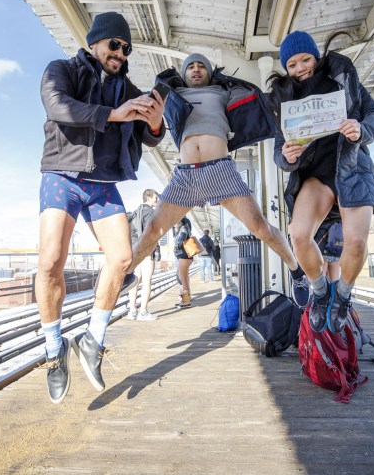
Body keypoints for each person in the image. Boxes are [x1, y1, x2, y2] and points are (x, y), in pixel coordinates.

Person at [36, 12, 166, 404]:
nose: (120, 54)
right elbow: (58, 106)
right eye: (114, 45)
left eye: (126, 49)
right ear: (95, 42)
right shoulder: (62, 69)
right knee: (50, 262)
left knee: (124, 258)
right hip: (62, 175)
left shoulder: (130, 89)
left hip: (102, 183)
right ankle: (53, 350)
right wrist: (113, 113)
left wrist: (156, 122)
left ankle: (92, 340)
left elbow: (149, 136)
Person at [125, 54, 309, 297]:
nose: (196, 69)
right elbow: (149, 121)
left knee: (261, 228)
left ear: (210, 72)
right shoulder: (172, 97)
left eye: (202, 65)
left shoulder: (225, 92)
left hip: (221, 171)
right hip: (185, 177)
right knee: (152, 229)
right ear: (183, 73)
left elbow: (264, 102)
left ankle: (297, 273)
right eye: (190, 66)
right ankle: (123, 274)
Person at [268, 30, 374, 334]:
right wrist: (287, 156)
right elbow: (278, 155)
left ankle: (343, 294)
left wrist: (361, 128)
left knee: (357, 241)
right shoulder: (283, 98)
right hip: (315, 176)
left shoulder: (344, 77)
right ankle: (320, 292)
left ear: (316, 56)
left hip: (351, 168)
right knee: (299, 234)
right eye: (291, 64)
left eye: (305, 59)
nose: (300, 69)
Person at [127, 189, 160, 321]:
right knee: (147, 280)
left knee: (136, 279)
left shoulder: (136, 212)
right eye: (155, 197)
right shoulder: (151, 212)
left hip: (135, 249)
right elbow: (152, 233)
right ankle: (143, 312)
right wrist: (155, 250)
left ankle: (132, 311)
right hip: (147, 250)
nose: (157, 200)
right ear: (148, 197)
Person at [173, 217, 195, 308]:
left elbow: (179, 242)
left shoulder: (183, 229)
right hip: (185, 256)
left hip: (183, 256)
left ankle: (186, 302)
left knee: (184, 280)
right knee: (184, 279)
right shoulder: (184, 228)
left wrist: (176, 246)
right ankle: (186, 300)